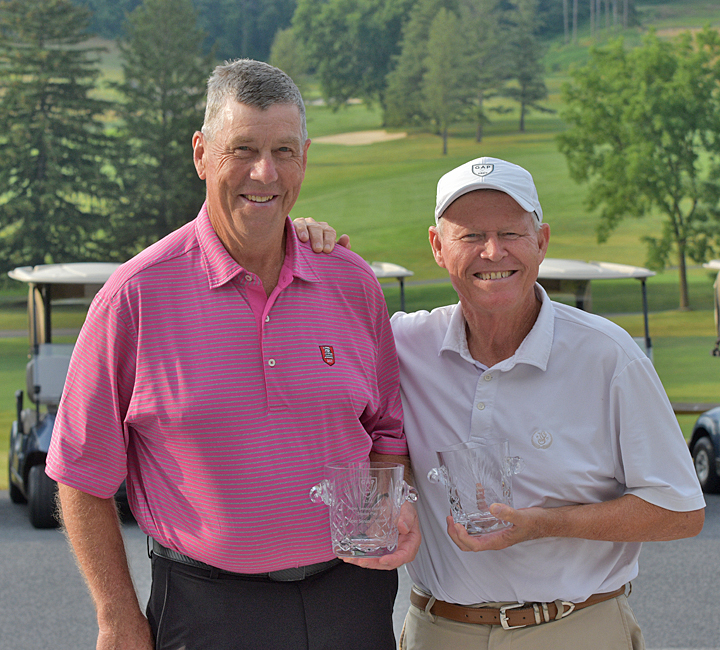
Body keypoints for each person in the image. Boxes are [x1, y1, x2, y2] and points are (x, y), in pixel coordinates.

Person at [46, 59, 420, 650]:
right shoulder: (135, 297)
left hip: (351, 601)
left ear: (305, 157)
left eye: (284, 151)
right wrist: (116, 615)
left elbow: (386, 436)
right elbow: (80, 473)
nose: (265, 172)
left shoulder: (352, 283)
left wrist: (392, 502)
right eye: (242, 148)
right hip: (205, 610)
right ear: (201, 154)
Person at [295, 156, 705, 650]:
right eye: (469, 236)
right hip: (438, 632)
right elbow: (311, 343)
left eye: (511, 233)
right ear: (437, 248)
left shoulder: (608, 355)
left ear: (542, 243)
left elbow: (680, 511)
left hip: (576, 630)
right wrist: (296, 244)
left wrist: (541, 525)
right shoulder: (401, 344)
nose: (493, 252)